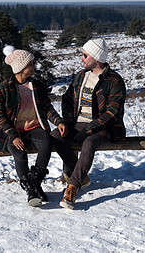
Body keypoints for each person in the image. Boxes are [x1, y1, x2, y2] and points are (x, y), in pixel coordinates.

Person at [0, 45, 68, 207]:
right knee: (19, 152)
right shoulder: (2, 89)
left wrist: (58, 121)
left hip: (34, 128)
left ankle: (33, 186)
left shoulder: (37, 85)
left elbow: (46, 108)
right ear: (20, 68)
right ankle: (32, 190)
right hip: (12, 132)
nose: (34, 66)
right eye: (30, 64)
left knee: (47, 141)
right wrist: (13, 135)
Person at [51, 38, 126, 210]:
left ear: (96, 57)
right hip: (78, 123)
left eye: (85, 55)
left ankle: (73, 187)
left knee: (89, 142)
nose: (82, 58)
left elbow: (112, 113)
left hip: (105, 128)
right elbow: (68, 99)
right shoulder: (80, 76)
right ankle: (81, 176)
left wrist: (89, 129)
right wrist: (67, 122)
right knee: (55, 136)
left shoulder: (114, 81)